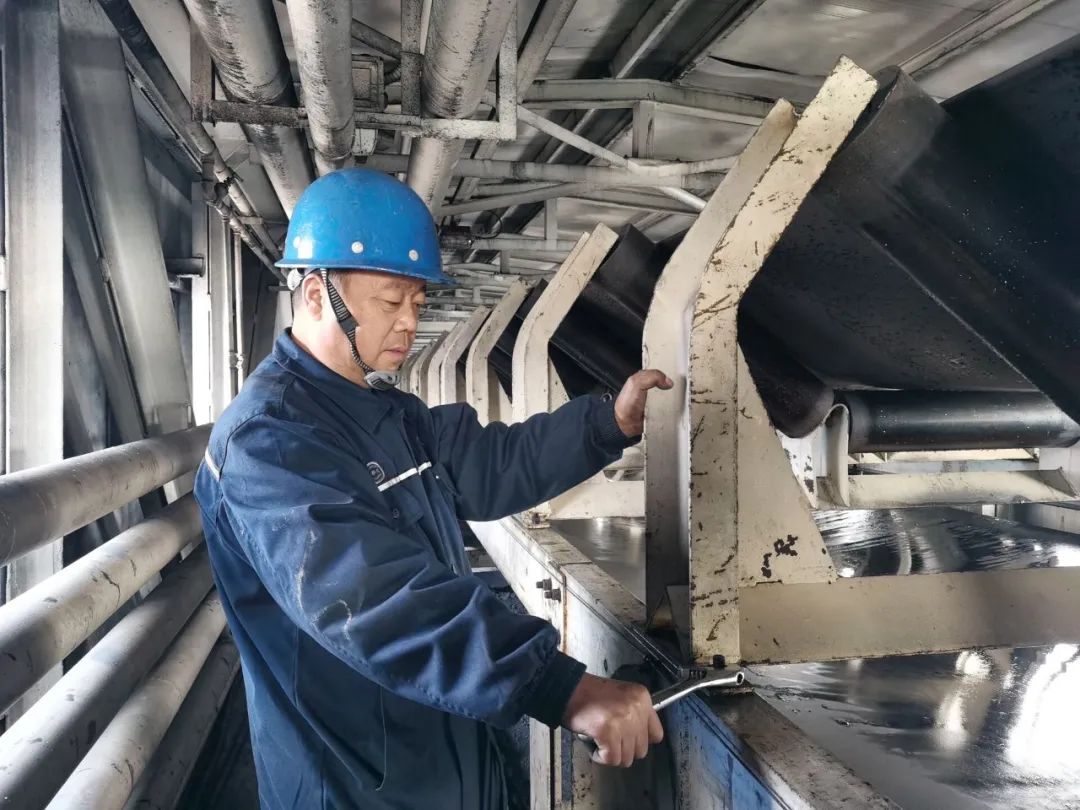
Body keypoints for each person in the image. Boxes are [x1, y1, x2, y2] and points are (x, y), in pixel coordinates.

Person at [194, 168, 672, 810]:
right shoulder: (270, 441)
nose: (408, 324)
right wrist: (557, 686)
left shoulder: (386, 412)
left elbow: (492, 462)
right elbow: (370, 597)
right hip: (358, 784)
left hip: (435, 755)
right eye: (391, 301)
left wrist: (607, 423)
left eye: (417, 303)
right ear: (315, 295)